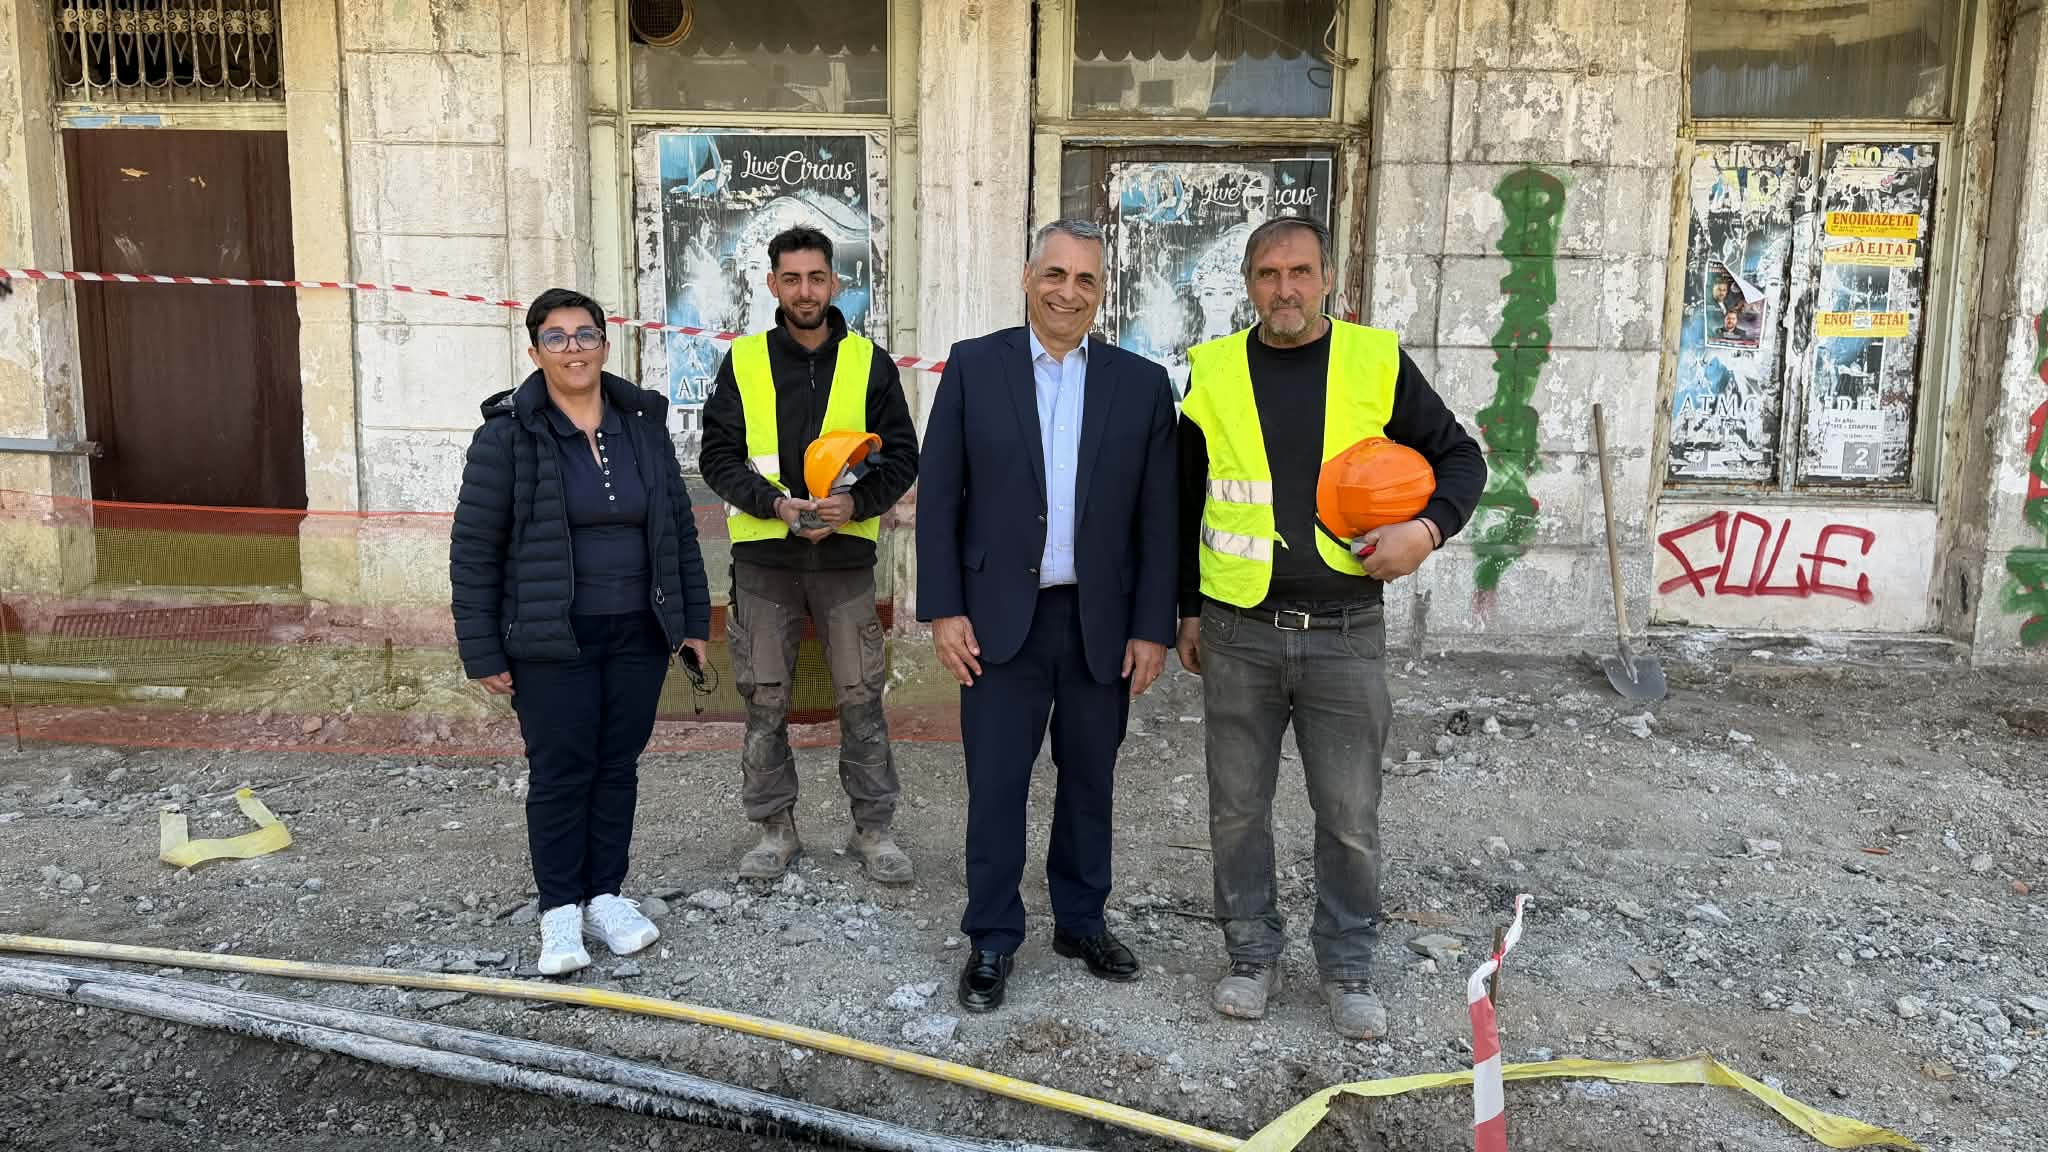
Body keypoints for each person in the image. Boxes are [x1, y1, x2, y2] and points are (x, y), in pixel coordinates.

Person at [1175, 218, 1485, 1039]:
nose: (1285, 289)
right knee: (1237, 811)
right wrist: (1184, 609)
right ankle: (1251, 956)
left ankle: (1348, 969)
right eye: (1269, 274)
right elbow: (1183, 496)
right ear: (1249, 283)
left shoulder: (1374, 361)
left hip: (1345, 631)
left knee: (1348, 815)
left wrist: (1426, 531)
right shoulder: (1212, 370)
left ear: (1328, 278)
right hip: (1238, 629)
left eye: (1300, 272)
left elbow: (1462, 459)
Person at [916, 219, 1178, 1013]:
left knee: (1091, 779)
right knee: (997, 784)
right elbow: (940, 497)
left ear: (1103, 291)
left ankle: (1081, 920)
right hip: (998, 621)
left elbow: (1158, 517)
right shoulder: (973, 367)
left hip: (1101, 621)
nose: (1069, 292)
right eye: (1055, 274)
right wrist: (944, 610)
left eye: (1086, 279)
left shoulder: (1141, 384)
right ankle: (993, 936)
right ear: (1028, 278)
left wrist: (1152, 626)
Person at [451, 288, 712, 977]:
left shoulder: (642, 427)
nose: (574, 348)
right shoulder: (507, 436)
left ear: (604, 344)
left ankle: (605, 896)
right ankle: (560, 910)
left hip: (637, 632)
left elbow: (678, 531)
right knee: (561, 770)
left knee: (617, 765)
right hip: (550, 638)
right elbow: (474, 550)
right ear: (535, 352)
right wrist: (481, 647)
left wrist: (691, 622)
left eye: (585, 334)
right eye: (557, 337)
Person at [698, 227, 920, 884]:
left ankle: (873, 830)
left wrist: (855, 505)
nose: (805, 291)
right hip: (765, 562)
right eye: (791, 279)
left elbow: (901, 456)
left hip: (845, 562)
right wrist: (775, 505)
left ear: (834, 283)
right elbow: (717, 457)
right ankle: (776, 829)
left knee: (861, 697)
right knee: (765, 701)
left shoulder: (869, 363)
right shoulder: (744, 361)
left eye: (816, 278)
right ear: (772, 284)